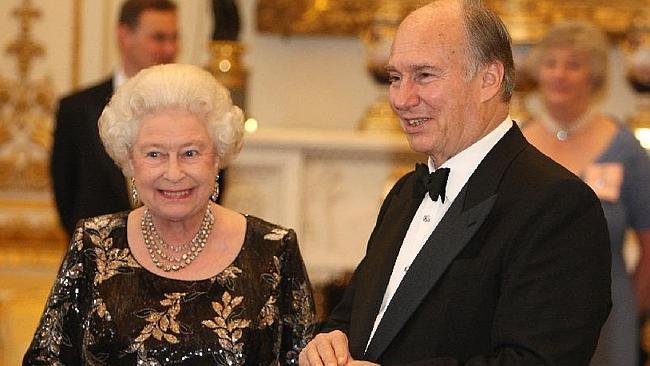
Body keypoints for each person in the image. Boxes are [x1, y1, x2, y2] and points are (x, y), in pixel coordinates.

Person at [299, 1, 611, 365]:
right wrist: (328, 341)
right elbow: (355, 319)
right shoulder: (404, 193)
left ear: (488, 80)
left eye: (425, 76)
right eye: (395, 78)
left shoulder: (557, 205)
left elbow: (536, 361)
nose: (401, 99)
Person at [24, 64, 316, 365]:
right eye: (154, 154)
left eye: (190, 153)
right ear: (129, 161)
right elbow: (47, 359)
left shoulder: (273, 250)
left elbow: (304, 359)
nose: (174, 173)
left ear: (217, 157)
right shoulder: (95, 244)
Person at [522, 21, 650, 366]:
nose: (559, 74)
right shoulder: (514, 147)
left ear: (594, 77)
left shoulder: (626, 151)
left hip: (607, 326)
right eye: (550, 64)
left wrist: (624, 312)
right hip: (525, 322)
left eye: (573, 65)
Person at [51, 0, 179, 236]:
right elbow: (65, 195)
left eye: (174, 38)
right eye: (159, 38)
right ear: (124, 36)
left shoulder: (190, 111)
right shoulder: (77, 109)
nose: (170, 49)